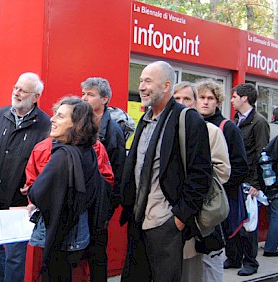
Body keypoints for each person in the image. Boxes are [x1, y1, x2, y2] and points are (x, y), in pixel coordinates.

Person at [119, 61, 212, 282]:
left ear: (166, 85)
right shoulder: (145, 118)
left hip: (165, 224)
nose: (141, 86)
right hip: (138, 221)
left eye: (148, 81)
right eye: (141, 81)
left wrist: (179, 218)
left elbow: (201, 175)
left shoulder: (188, 119)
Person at [0, 72, 51, 282]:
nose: (16, 93)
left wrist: (35, 194)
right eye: (15, 88)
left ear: (35, 97)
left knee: (15, 258)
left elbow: (45, 165)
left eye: (22, 90)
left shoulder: (45, 125)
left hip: (18, 205)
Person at [24, 121, 114, 281]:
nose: (52, 120)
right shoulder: (43, 147)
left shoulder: (93, 148)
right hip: (58, 222)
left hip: (78, 223)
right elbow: (32, 179)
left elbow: (105, 181)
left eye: (60, 115)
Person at [174, 81, 231, 282]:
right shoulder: (166, 130)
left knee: (196, 270)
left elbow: (224, 172)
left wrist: (194, 181)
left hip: (198, 215)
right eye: (177, 98)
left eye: (187, 98)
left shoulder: (210, 131)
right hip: (168, 216)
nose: (182, 103)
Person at [194, 79, 250, 278]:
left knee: (212, 255)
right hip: (194, 202)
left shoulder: (228, 128)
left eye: (211, 98)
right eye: (202, 97)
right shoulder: (192, 124)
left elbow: (241, 166)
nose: (206, 102)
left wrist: (218, 190)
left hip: (216, 202)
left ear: (218, 102)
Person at [81, 77, 126, 279]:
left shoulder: (113, 131)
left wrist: (108, 210)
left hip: (99, 205)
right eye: (83, 93)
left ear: (105, 99)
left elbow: (118, 173)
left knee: (97, 254)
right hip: (80, 200)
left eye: (90, 95)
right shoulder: (79, 123)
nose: (84, 98)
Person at [229, 83, 270, 276]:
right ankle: (234, 258)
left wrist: (256, 184)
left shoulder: (259, 122)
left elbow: (262, 154)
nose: (232, 100)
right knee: (235, 221)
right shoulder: (237, 120)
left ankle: (250, 263)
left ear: (244, 98)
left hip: (250, 184)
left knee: (249, 225)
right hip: (236, 180)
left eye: (234, 96)